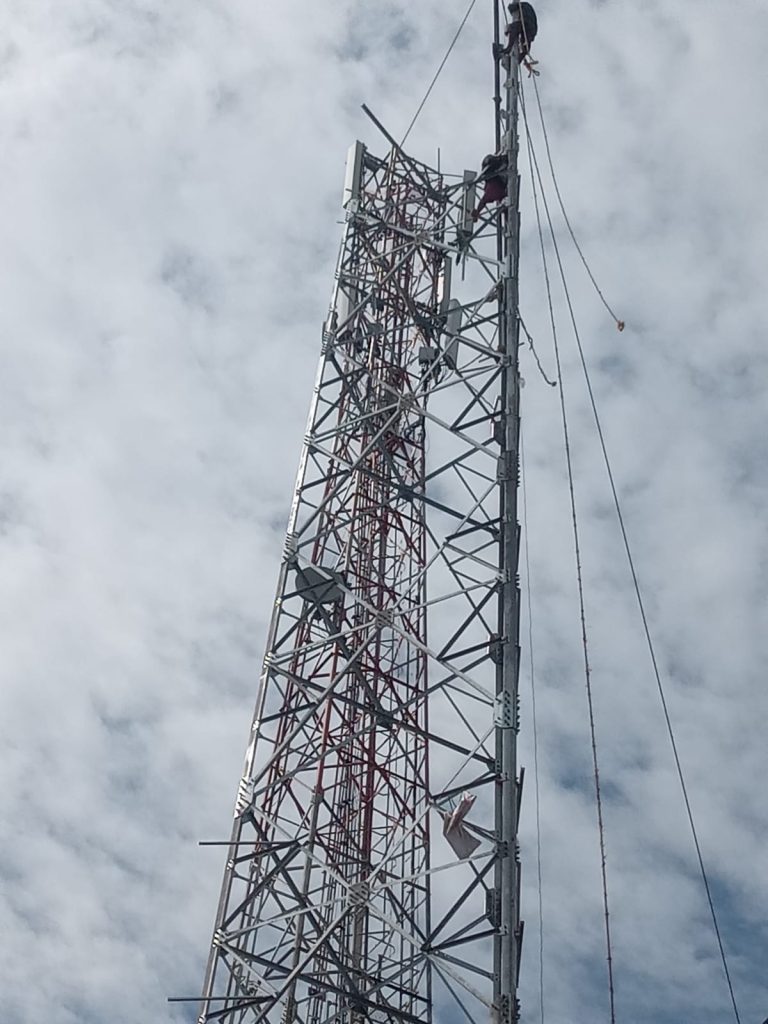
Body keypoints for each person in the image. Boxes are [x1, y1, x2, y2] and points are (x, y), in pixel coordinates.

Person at [496, 2, 538, 66]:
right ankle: (518, 58)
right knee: (525, 44)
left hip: (528, 25)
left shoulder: (521, 6)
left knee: (514, 28)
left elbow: (516, 28)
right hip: (531, 29)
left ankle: (509, 49)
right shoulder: (524, 8)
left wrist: (509, 29)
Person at [471, 152, 507, 222]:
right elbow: (483, 202)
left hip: (493, 175)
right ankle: (500, 161)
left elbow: (483, 202)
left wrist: (477, 211)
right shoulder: (500, 196)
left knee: (488, 165)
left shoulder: (491, 195)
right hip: (496, 176)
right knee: (489, 166)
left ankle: (500, 160)